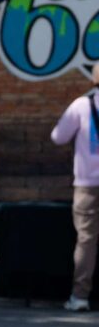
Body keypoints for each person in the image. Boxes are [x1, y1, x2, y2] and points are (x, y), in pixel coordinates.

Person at [52, 65, 99, 312]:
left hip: (88, 182)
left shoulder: (82, 105)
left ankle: (80, 295)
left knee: (86, 240)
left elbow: (58, 136)